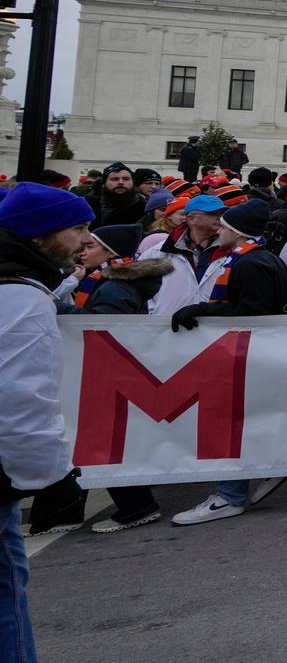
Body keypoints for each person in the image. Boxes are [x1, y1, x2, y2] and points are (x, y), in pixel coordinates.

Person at [0, 184, 94, 658]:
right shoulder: (20, 296)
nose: (85, 239)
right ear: (39, 235)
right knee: (5, 596)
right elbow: (20, 399)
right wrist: (52, 477)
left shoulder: (19, 282)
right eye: (77, 228)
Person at [167, 199, 287, 525]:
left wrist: (202, 311)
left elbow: (253, 312)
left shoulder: (251, 264)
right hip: (255, 354)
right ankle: (267, 468)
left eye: (223, 226)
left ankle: (231, 494)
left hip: (248, 356)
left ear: (237, 232)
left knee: (231, 422)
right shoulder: (258, 258)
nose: (217, 230)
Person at [87, 162, 146, 228]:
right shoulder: (89, 205)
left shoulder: (144, 208)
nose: (121, 182)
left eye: (126, 179)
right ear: (104, 184)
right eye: (115, 179)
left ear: (133, 183)